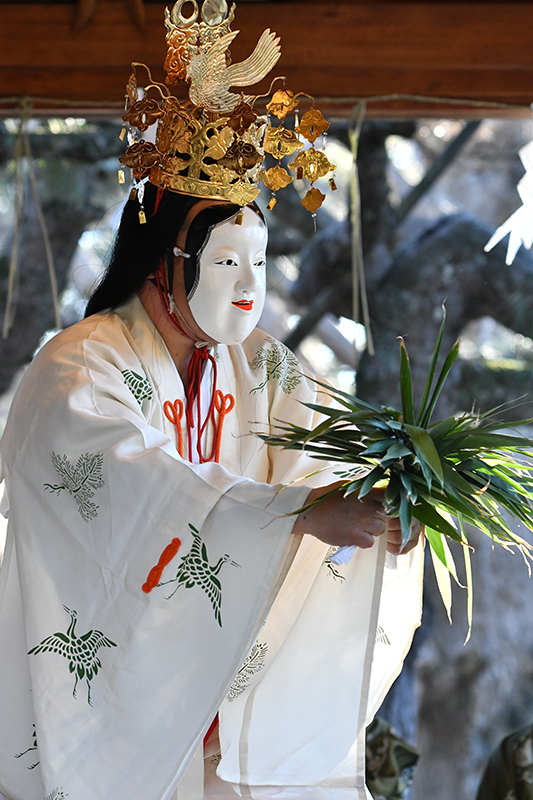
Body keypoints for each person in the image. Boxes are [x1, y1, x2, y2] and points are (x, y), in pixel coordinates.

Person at [0, 3, 423, 798]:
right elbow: (122, 482)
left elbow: (324, 455)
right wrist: (291, 515)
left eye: (259, 261)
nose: (249, 288)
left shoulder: (259, 367)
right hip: (113, 705)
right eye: (227, 260)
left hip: (219, 702)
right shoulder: (76, 367)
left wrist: (390, 495)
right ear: (164, 261)